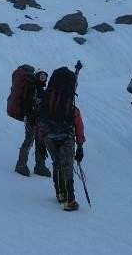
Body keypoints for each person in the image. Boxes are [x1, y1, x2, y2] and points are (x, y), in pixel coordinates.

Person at [37, 64, 85, 211]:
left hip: (49, 137)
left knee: (57, 163)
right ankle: (70, 200)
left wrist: (40, 142)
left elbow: (41, 121)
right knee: (67, 166)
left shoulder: (48, 97)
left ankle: (60, 194)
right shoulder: (68, 100)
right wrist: (80, 145)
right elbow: (78, 123)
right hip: (66, 136)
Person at [15, 70, 51, 177]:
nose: (43, 78)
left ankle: (40, 166)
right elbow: (28, 102)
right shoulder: (32, 88)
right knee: (29, 141)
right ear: (37, 76)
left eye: (45, 76)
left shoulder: (41, 88)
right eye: (41, 76)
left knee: (40, 142)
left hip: (39, 120)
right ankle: (21, 165)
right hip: (31, 119)